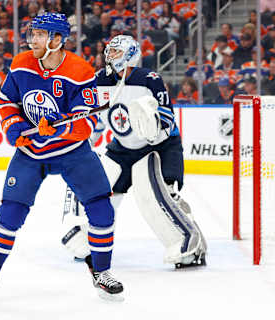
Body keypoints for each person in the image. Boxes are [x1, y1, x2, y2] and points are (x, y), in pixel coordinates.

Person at [0, 13, 123, 305]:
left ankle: (102, 272)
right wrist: (15, 128)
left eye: (40, 35)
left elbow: (86, 125)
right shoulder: (20, 64)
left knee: (102, 209)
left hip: (72, 152)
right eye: (32, 34)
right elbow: (6, 103)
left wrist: (59, 123)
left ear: (57, 40)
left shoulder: (80, 70)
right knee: (10, 214)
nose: (33, 40)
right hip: (31, 152)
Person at [61, 35, 207, 270]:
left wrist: (155, 128)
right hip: (122, 149)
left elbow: (168, 118)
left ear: (130, 55)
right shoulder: (99, 80)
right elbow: (96, 116)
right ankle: (87, 239)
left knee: (156, 194)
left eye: (117, 52)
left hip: (159, 147)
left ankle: (189, 245)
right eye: (110, 51)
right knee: (95, 185)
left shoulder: (150, 80)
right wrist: (86, 136)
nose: (110, 56)